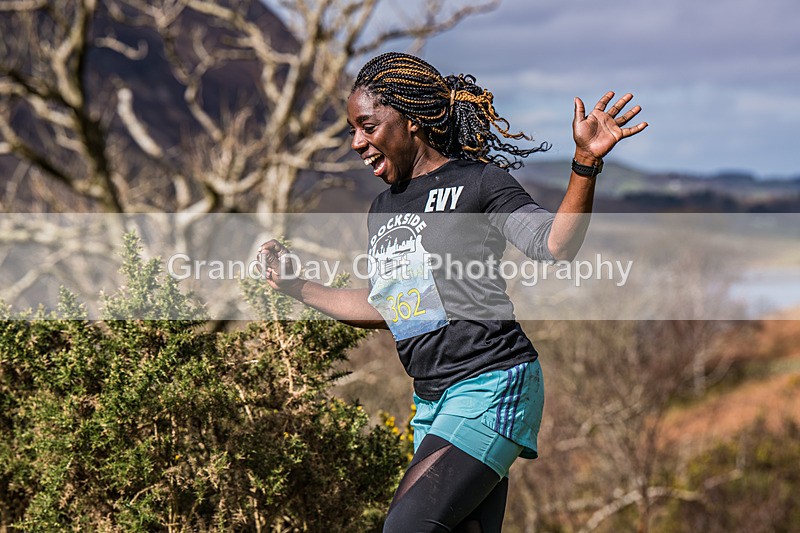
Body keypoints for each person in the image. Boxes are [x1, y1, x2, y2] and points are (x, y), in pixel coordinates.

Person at [258, 52, 647, 532]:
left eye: (368, 126)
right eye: (352, 130)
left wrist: (584, 163)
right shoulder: (382, 207)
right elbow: (392, 306)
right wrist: (296, 286)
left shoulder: (479, 184)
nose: (357, 142)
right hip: (432, 403)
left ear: (412, 121)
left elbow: (553, 244)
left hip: (491, 382)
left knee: (406, 528)